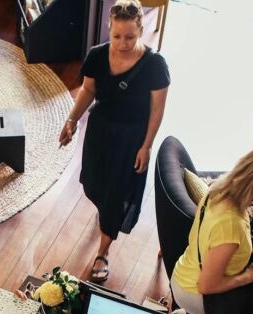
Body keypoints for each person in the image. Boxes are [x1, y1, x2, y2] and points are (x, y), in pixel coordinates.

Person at [59, 0, 170, 283]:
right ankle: (105, 216)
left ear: (141, 30)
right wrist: (72, 120)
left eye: (130, 37)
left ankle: (103, 252)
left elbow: (157, 110)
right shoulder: (97, 56)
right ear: (109, 29)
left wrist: (145, 146)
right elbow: (87, 90)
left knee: (115, 195)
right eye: (117, 36)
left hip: (132, 138)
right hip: (100, 131)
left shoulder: (155, 65)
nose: (122, 43)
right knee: (94, 184)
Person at [170, 144, 253, 314]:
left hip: (187, 269)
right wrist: (249, 276)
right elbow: (207, 286)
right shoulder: (231, 226)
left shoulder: (220, 189)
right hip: (198, 296)